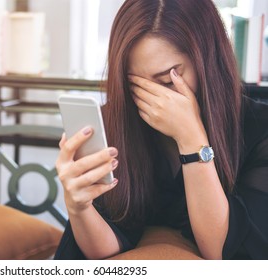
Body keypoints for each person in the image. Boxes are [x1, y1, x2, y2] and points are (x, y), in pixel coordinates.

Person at [54, 0, 268, 260]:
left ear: (208, 61)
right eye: (137, 87)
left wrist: (191, 138)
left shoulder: (259, 129)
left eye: (167, 81)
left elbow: (222, 252)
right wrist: (79, 207)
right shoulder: (115, 120)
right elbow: (104, 253)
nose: (154, 101)